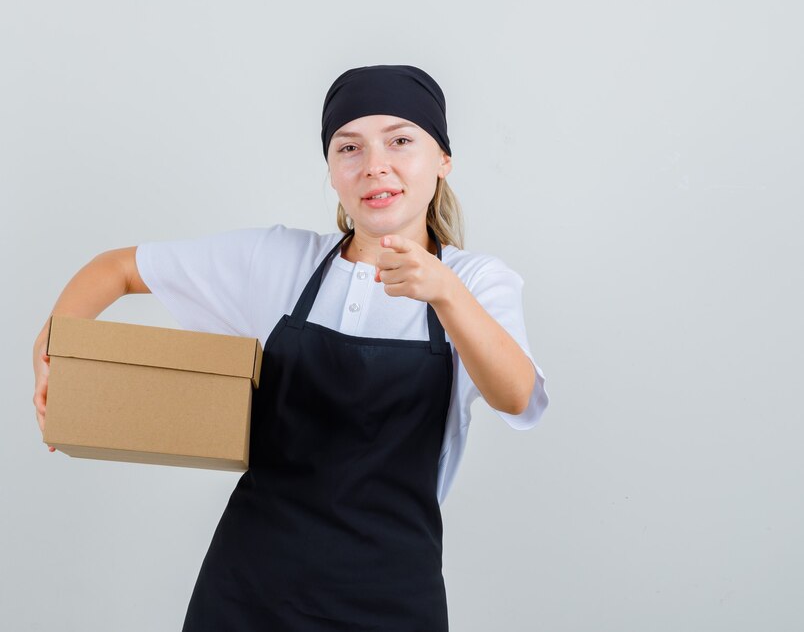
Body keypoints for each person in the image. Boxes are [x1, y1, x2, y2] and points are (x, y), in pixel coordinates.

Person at [32, 64, 550, 630]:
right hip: (248, 591)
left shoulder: (476, 282)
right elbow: (119, 268)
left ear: (443, 159)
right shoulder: (280, 263)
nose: (375, 164)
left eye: (401, 140)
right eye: (348, 147)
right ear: (331, 172)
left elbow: (518, 396)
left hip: (392, 600)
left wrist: (445, 293)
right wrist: (52, 351)